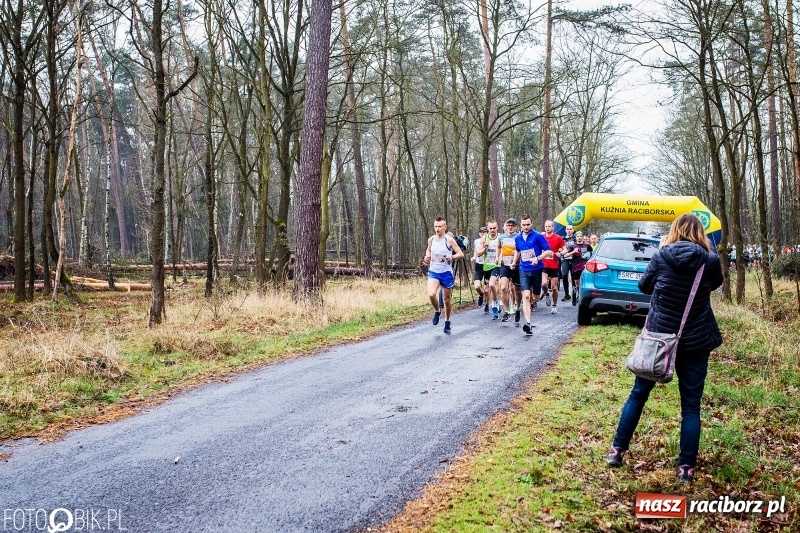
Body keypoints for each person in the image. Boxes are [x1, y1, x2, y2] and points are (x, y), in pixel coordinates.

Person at [604, 214, 724, 483]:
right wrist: (710, 251)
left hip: (659, 340)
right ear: (700, 234)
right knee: (691, 407)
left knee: (638, 395)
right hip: (695, 342)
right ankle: (685, 469)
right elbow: (715, 285)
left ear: (673, 231)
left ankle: (617, 451)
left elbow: (644, 286)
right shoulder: (709, 261)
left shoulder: (661, 256)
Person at [423, 217, 465, 334]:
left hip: (446, 273)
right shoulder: (431, 240)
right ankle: (437, 311)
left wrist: (452, 257)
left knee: (446, 300)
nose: (437, 229)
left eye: (440, 226)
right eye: (436, 226)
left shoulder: (449, 240)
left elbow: (461, 254)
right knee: (431, 294)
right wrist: (427, 256)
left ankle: (447, 321)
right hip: (434, 272)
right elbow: (428, 250)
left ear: (445, 227)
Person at [512, 215, 552, 335]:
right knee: (526, 296)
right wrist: (514, 262)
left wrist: (538, 258)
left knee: (536, 297)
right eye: (523, 225)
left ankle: (542, 294)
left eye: (528, 224)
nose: (525, 227)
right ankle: (528, 324)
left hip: (537, 269)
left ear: (532, 223)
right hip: (523, 269)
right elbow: (518, 250)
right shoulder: (518, 238)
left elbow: (549, 251)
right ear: (521, 225)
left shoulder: (538, 236)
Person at [497, 218, 522, 322]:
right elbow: (498, 247)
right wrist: (497, 257)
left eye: (512, 225)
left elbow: (519, 250)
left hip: (517, 265)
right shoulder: (501, 237)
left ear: (516, 227)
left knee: (517, 290)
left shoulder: (519, 236)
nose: (510, 227)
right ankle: (506, 312)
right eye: (508, 225)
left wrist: (514, 262)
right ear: (505, 226)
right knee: (503, 287)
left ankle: (517, 308)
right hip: (505, 265)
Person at [476, 220, 502, 318]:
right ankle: (496, 303)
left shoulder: (501, 237)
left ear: (497, 227)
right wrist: (485, 248)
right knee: (488, 289)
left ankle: (494, 306)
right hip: (487, 266)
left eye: (494, 228)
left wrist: (499, 257)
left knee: (492, 285)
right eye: (490, 228)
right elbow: (478, 253)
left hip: (497, 265)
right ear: (487, 229)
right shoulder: (484, 238)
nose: (492, 230)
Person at [540, 220, 566, 314]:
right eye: (546, 226)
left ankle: (554, 305)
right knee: (544, 284)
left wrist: (561, 253)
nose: (547, 228)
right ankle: (546, 294)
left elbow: (565, 249)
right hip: (544, 264)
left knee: (554, 287)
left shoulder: (558, 238)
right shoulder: (541, 237)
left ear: (553, 227)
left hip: (554, 265)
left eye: (549, 226)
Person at [563, 231, 592, 305]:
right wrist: (573, 252)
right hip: (575, 267)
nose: (579, 238)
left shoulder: (587, 245)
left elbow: (592, 254)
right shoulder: (572, 246)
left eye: (580, 236)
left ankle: (580, 296)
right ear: (575, 238)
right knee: (576, 283)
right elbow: (565, 255)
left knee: (583, 282)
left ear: (582, 237)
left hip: (584, 266)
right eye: (578, 236)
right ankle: (575, 295)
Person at [472, 227, 490, 310]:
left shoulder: (490, 241)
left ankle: (486, 305)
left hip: (487, 266)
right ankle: (481, 295)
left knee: (487, 289)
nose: (482, 234)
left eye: (484, 232)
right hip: (479, 265)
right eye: (481, 232)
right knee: (477, 286)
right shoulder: (476, 241)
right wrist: (474, 257)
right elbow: (476, 251)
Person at [560, 225, 577, 301]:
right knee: (564, 275)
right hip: (565, 259)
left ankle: (574, 293)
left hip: (574, 259)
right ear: (565, 230)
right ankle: (566, 294)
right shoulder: (562, 239)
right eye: (567, 229)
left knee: (573, 277)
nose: (569, 230)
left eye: (570, 229)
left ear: (573, 230)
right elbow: (559, 247)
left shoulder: (575, 239)